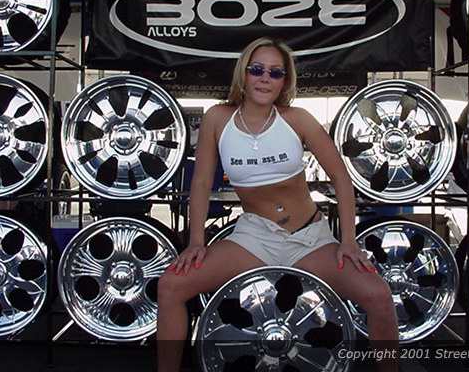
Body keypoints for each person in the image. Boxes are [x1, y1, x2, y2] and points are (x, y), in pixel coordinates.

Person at [157, 37, 398, 371]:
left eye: (275, 72)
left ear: (285, 81)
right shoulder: (217, 118)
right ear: (243, 73)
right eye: (257, 69)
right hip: (255, 237)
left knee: (379, 296)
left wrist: (348, 241)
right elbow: (200, 184)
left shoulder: (298, 119)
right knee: (171, 285)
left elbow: (342, 179)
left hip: (309, 239)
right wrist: (196, 241)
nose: (264, 79)